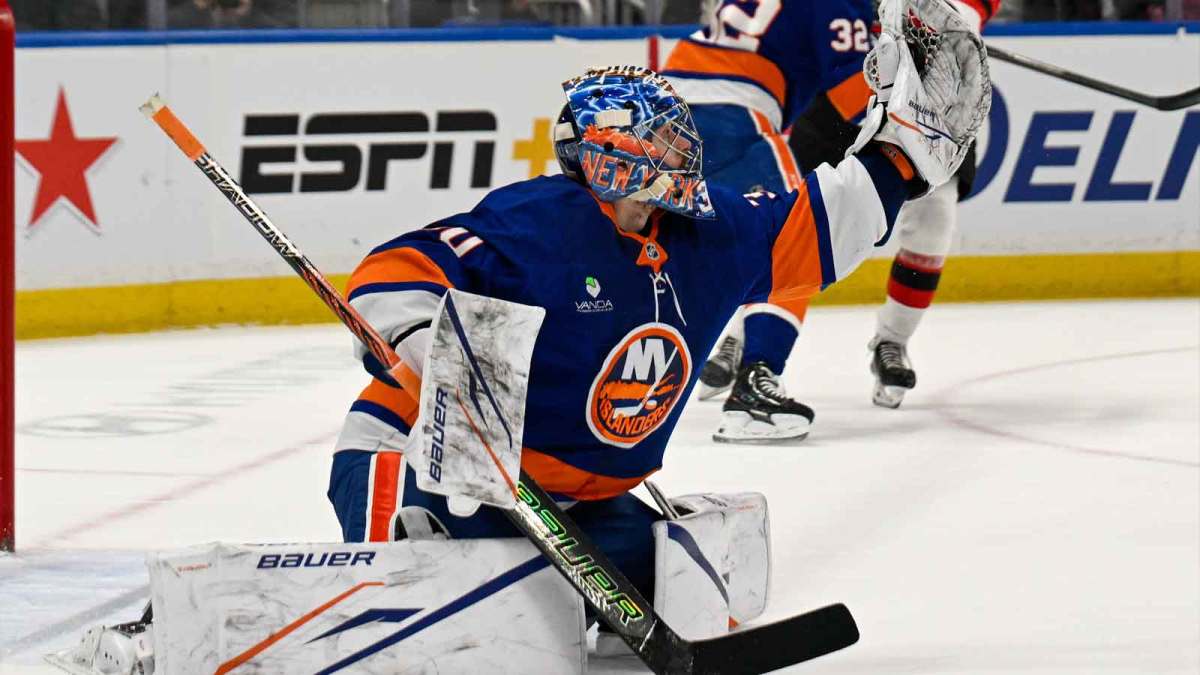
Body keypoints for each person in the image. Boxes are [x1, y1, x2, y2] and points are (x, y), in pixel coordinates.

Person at [326, 53, 985, 600]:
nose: (681, 149)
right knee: (420, 597)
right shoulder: (540, 222)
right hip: (425, 457)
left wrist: (901, 158)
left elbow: (818, 226)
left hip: (572, 494)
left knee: (678, 593)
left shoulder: (711, 229)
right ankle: (390, 590)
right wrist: (426, 341)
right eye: (659, 138)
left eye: (677, 135)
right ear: (603, 152)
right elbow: (400, 266)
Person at [669, 0, 999, 441]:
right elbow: (850, 93)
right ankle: (755, 384)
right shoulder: (841, 4)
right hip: (733, 113)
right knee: (790, 241)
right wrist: (918, 121)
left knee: (690, 242)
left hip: (671, 105)